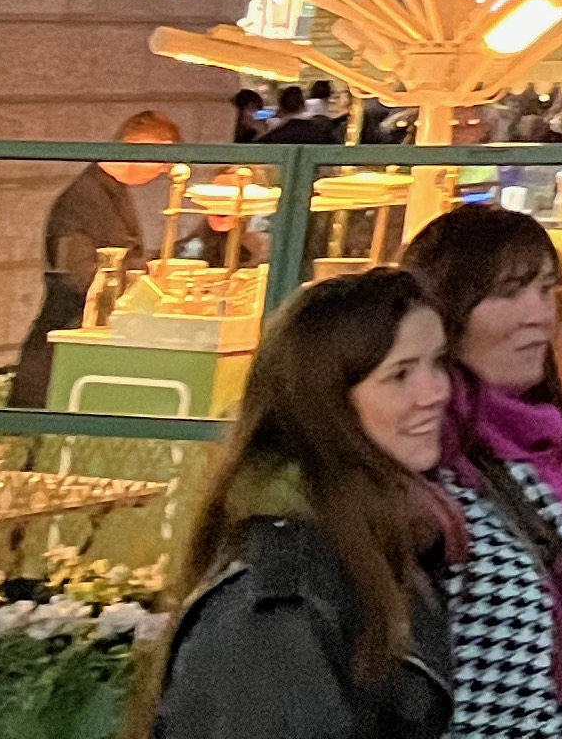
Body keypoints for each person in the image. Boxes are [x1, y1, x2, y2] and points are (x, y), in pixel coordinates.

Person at [139, 267, 458, 739]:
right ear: (327, 405)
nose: (436, 392)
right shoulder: (281, 599)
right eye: (400, 375)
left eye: (438, 363)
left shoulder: (375, 541)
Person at [397, 205, 562, 739]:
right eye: (507, 293)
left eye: (543, 290)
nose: (537, 313)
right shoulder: (428, 467)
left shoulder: (530, 455)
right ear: (444, 313)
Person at [12, 109, 180, 407]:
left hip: (80, 338)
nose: (163, 172)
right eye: (163, 163)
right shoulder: (82, 200)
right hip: (62, 345)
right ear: (145, 150)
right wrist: (142, 271)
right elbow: (75, 276)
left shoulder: (112, 192)